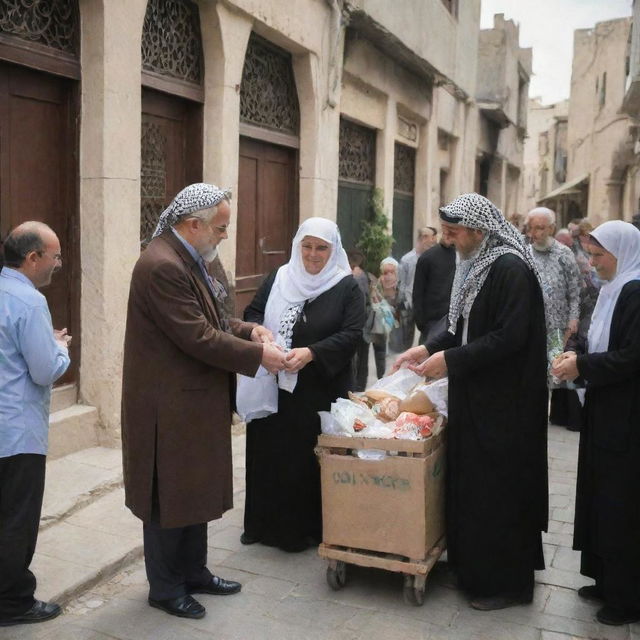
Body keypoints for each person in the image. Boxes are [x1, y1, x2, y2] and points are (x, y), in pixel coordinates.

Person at [121, 183, 286, 620]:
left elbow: (211, 318)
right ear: (192, 225)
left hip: (192, 402)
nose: (224, 236)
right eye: (220, 227)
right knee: (167, 497)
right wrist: (259, 356)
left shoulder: (191, 259)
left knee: (192, 492)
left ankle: (194, 572)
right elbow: (196, 335)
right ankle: (166, 586)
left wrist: (249, 330)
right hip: (166, 407)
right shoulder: (162, 265)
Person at [394, 193, 548, 611]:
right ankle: (474, 570)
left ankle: (505, 584)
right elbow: (459, 328)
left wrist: (452, 360)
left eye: (454, 232)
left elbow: (508, 338)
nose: (448, 240)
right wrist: (425, 351)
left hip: (506, 406)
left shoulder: (511, 269)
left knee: (499, 491)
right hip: (477, 398)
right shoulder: (479, 266)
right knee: (475, 488)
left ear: (480, 231)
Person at [240, 218, 364, 552]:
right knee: (267, 455)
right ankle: (261, 525)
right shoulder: (280, 276)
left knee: (304, 460)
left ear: (333, 249)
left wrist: (311, 353)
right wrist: (258, 332)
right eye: (306, 246)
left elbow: (352, 334)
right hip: (274, 385)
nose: (312, 254)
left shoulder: (346, 286)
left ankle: (303, 531)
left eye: (321, 247)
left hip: (316, 390)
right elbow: (252, 312)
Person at [552, 220, 640, 626]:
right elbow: (599, 339)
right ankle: (604, 580)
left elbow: (631, 357)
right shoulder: (613, 289)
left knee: (621, 504)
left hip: (627, 416)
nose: (592, 262)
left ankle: (626, 598)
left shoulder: (635, 290)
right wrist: (574, 352)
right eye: (590, 254)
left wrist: (581, 365)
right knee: (600, 496)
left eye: (598, 256)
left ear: (621, 255)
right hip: (604, 410)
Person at [0, 222, 71, 627]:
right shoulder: (29, 301)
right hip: (17, 431)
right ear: (32, 258)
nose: (58, 264)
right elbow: (44, 371)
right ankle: (13, 602)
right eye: (55, 256)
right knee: (16, 521)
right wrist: (60, 348)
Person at [527, 207, 582, 431]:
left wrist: (573, 317)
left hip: (558, 325)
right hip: (531, 324)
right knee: (532, 369)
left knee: (555, 370)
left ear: (551, 228)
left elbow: (575, 289)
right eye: (532, 228)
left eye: (540, 228)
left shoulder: (564, 254)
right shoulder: (525, 252)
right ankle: (533, 412)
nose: (536, 233)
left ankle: (553, 414)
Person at [397, 227, 438, 351]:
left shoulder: (433, 259)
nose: (433, 242)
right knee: (406, 340)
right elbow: (401, 284)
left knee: (425, 339)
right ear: (423, 238)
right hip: (409, 305)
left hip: (426, 306)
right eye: (432, 239)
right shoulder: (406, 260)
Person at [412, 230, 456, 343]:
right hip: (432, 324)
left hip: (456, 324)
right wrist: (422, 324)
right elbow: (418, 293)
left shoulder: (466, 257)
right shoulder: (427, 258)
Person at [347, 249, 373, 391]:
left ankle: (357, 388)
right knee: (363, 358)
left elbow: (360, 302)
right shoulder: (362, 274)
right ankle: (360, 387)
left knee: (357, 359)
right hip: (364, 324)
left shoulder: (355, 276)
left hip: (358, 324)